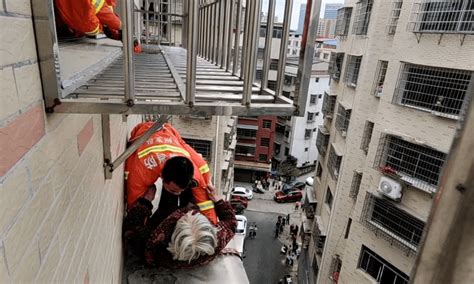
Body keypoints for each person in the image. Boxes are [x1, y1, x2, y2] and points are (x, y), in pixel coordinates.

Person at [125, 122, 218, 225]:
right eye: (173, 191)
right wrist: (146, 202)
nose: (178, 194)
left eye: (180, 191)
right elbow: (133, 210)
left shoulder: (195, 173)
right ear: (163, 177)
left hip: (170, 133)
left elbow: (206, 205)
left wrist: (212, 228)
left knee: (203, 178)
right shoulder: (142, 170)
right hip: (145, 130)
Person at [142, 185, 237, 268]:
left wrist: (145, 203)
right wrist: (217, 200)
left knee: (168, 202)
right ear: (212, 231)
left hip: (165, 215)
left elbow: (132, 228)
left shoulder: (155, 248)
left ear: (172, 235)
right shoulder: (216, 241)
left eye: (184, 217)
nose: (189, 212)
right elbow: (231, 223)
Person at [55, 0, 122, 40]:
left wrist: (112, 28)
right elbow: (98, 8)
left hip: (64, 27)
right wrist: (118, 25)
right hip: (62, 31)